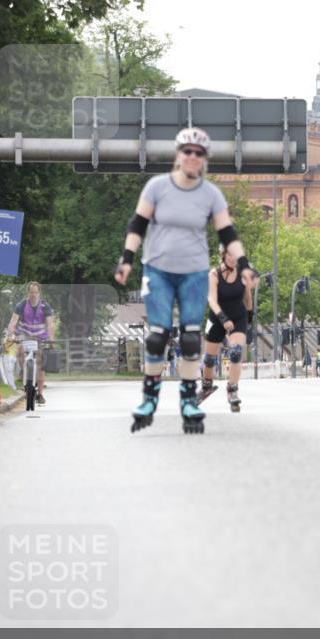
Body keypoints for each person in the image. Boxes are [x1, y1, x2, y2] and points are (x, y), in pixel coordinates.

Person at [114, 126, 258, 433]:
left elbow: (227, 233)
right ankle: (149, 397)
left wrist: (244, 265)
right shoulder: (157, 187)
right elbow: (137, 222)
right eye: (187, 152)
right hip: (158, 269)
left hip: (193, 270)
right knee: (157, 334)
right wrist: (126, 258)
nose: (193, 157)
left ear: (205, 159)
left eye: (199, 153)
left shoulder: (211, 194)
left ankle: (189, 400)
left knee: (192, 337)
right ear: (178, 155)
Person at [201, 246, 253, 412]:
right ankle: (207, 386)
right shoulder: (214, 274)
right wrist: (223, 318)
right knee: (209, 359)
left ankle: (232, 390)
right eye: (230, 255)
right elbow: (212, 300)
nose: (233, 258)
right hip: (218, 318)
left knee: (236, 352)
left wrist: (250, 315)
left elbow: (247, 296)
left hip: (238, 317)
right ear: (223, 256)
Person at [5, 282, 55, 404]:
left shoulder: (45, 306)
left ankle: (41, 394)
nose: (33, 294)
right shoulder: (21, 305)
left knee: (40, 365)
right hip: (24, 335)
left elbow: (50, 324)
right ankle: (23, 371)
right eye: (31, 292)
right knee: (20, 352)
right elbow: (13, 321)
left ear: (39, 293)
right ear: (28, 293)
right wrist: (10, 335)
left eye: (35, 292)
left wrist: (51, 339)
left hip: (39, 337)